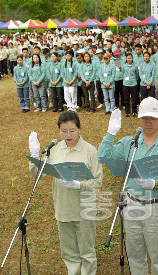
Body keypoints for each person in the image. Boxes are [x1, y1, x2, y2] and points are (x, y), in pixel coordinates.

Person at [97, 97, 158, 275]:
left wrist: (157, 183)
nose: (148, 122)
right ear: (139, 118)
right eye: (145, 118)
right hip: (132, 206)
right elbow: (103, 156)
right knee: (135, 257)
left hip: (157, 207)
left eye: (153, 118)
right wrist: (111, 133)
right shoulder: (129, 143)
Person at [28, 111, 103, 275]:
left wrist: (79, 185)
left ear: (79, 129)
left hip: (84, 210)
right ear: (58, 130)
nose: (68, 135)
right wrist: (34, 157)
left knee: (87, 252)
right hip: (63, 209)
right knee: (69, 253)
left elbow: (97, 181)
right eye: (63, 131)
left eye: (72, 130)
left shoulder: (90, 151)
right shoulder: (55, 150)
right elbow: (39, 175)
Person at [121, 53, 139, 117]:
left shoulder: (135, 66)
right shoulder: (123, 66)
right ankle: (127, 112)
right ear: (126, 59)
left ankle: (134, 111)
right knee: (126, 98)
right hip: (126, 84)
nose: (129, 59)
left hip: (133, 84)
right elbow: (123, 73)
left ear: (132, 58)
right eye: (128, 58)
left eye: (130, 58)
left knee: (134, 99)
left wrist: (134, 80)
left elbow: (137, 75)